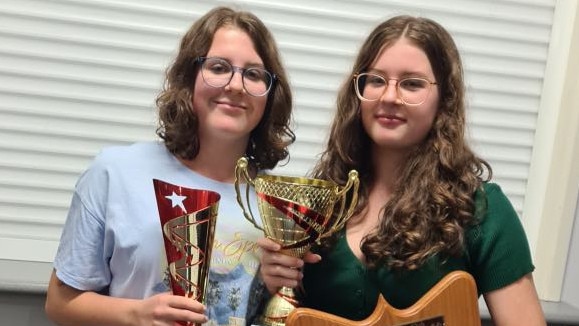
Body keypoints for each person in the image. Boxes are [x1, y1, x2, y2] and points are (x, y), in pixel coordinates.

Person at [258, 15, 546, 325]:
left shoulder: (482, 211)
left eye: (412, 84)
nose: (390, 96)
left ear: (444, 100)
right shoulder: (319, 203)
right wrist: (274, 280)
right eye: (377, 80)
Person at [45, 6, 294, 326]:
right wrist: (136, 314)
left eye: (254, 74)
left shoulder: (278, 205)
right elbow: (59, 303)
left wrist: (272, 286)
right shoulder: (115, 172)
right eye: (218, 68)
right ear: (188, 78)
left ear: (270, 95)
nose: (235, 85)